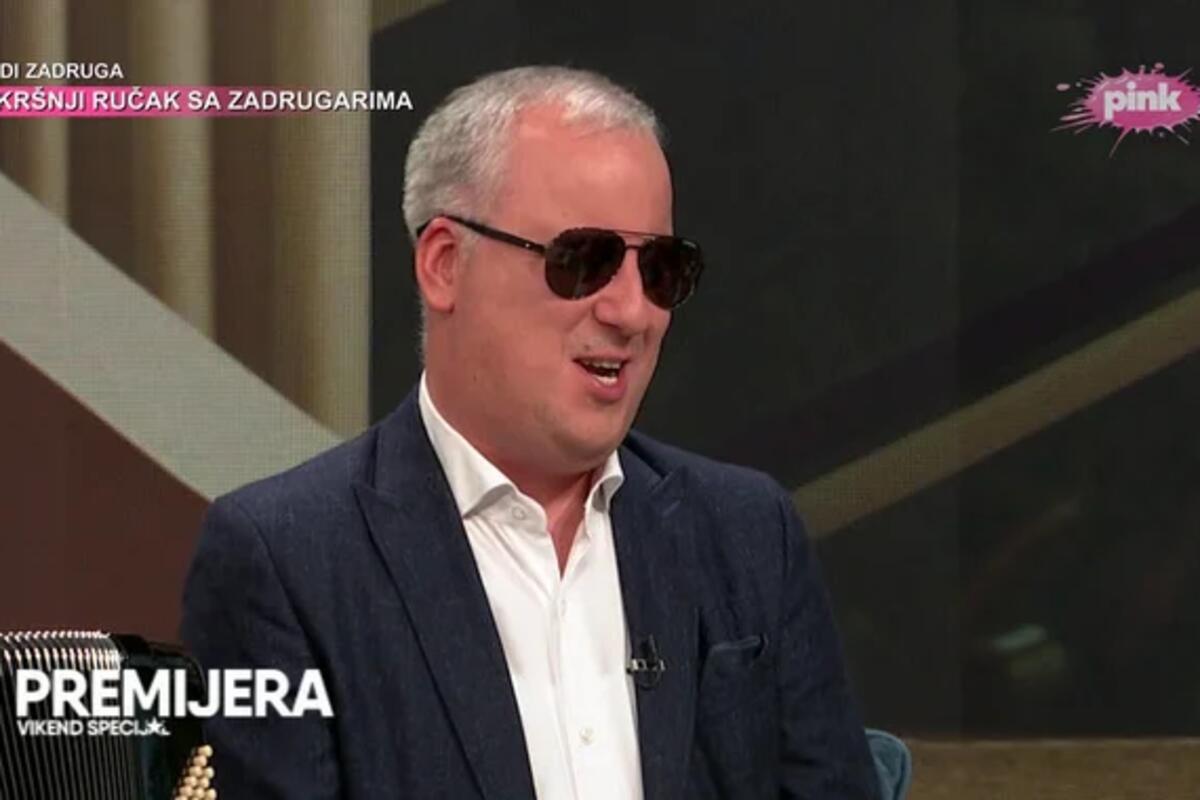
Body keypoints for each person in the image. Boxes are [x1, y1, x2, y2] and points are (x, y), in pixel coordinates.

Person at [182, 65, 880, 800]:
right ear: (445, 265)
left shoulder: (748, 533)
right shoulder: (284, 562)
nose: (632, 312)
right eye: (585, 261)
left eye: (661, 270)